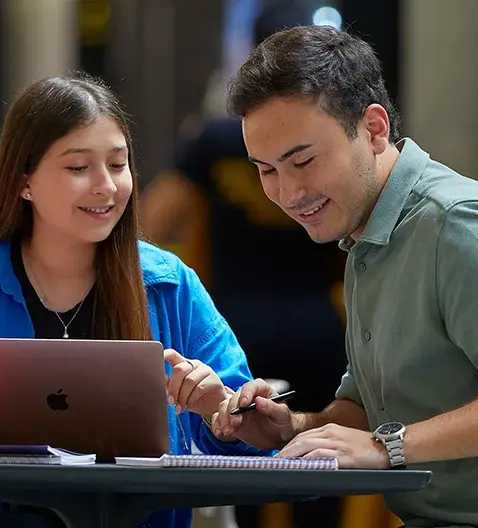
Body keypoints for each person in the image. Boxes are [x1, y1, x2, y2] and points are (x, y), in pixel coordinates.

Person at [210, 25, 478, 528]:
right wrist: (294, 426)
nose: (288, 193)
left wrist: (388, 447)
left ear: (374, 129)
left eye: (304, 161)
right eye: (266, 170)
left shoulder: (458, 222)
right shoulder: (366, 232)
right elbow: (369, 413)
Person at [0, 72, 267, 528]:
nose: (106, 187)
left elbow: (256, 435)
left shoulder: (171, 286)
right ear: (24, 182)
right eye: (79, 168)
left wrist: (221, 408)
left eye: (118, 165)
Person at [140, 7, 346, 527]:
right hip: (316, 322)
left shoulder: (214, 141)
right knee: (324, 466)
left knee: (245, 469)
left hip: (238, 323)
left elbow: (152, 222)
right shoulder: (330, 138)